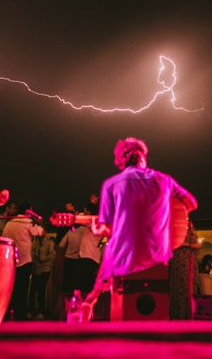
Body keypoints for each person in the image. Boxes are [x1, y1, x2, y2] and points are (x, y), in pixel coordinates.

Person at [82, 136, 198, 319]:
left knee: (111, 247)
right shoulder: (164, 180)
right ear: (143, 157)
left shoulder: (111, 185)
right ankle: (91, 300)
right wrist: (168, 216)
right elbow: (191, 203)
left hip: (125, 261)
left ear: (121, 161)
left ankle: (90, 301)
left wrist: (98, 230)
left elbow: (110, 228)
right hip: (159, 257)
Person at [2, 203, 44, 320]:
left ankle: (8, 313)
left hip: (11, 260)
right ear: (29, 211)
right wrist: (39, 222)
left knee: (11, 288)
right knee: (23, 289)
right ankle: (20, 315)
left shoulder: (10, 223)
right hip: (25, 260)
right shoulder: (28, 223)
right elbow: (41, 233)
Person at [30, 235, 56, 318]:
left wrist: (43, 258)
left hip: (46, 268)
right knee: (32, 291)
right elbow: (32, 253)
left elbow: (53, 255)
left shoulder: (49, 243)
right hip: (36, 269)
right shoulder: (35, 243)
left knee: (42, 290)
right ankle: (32, 310)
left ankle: (42, 311)